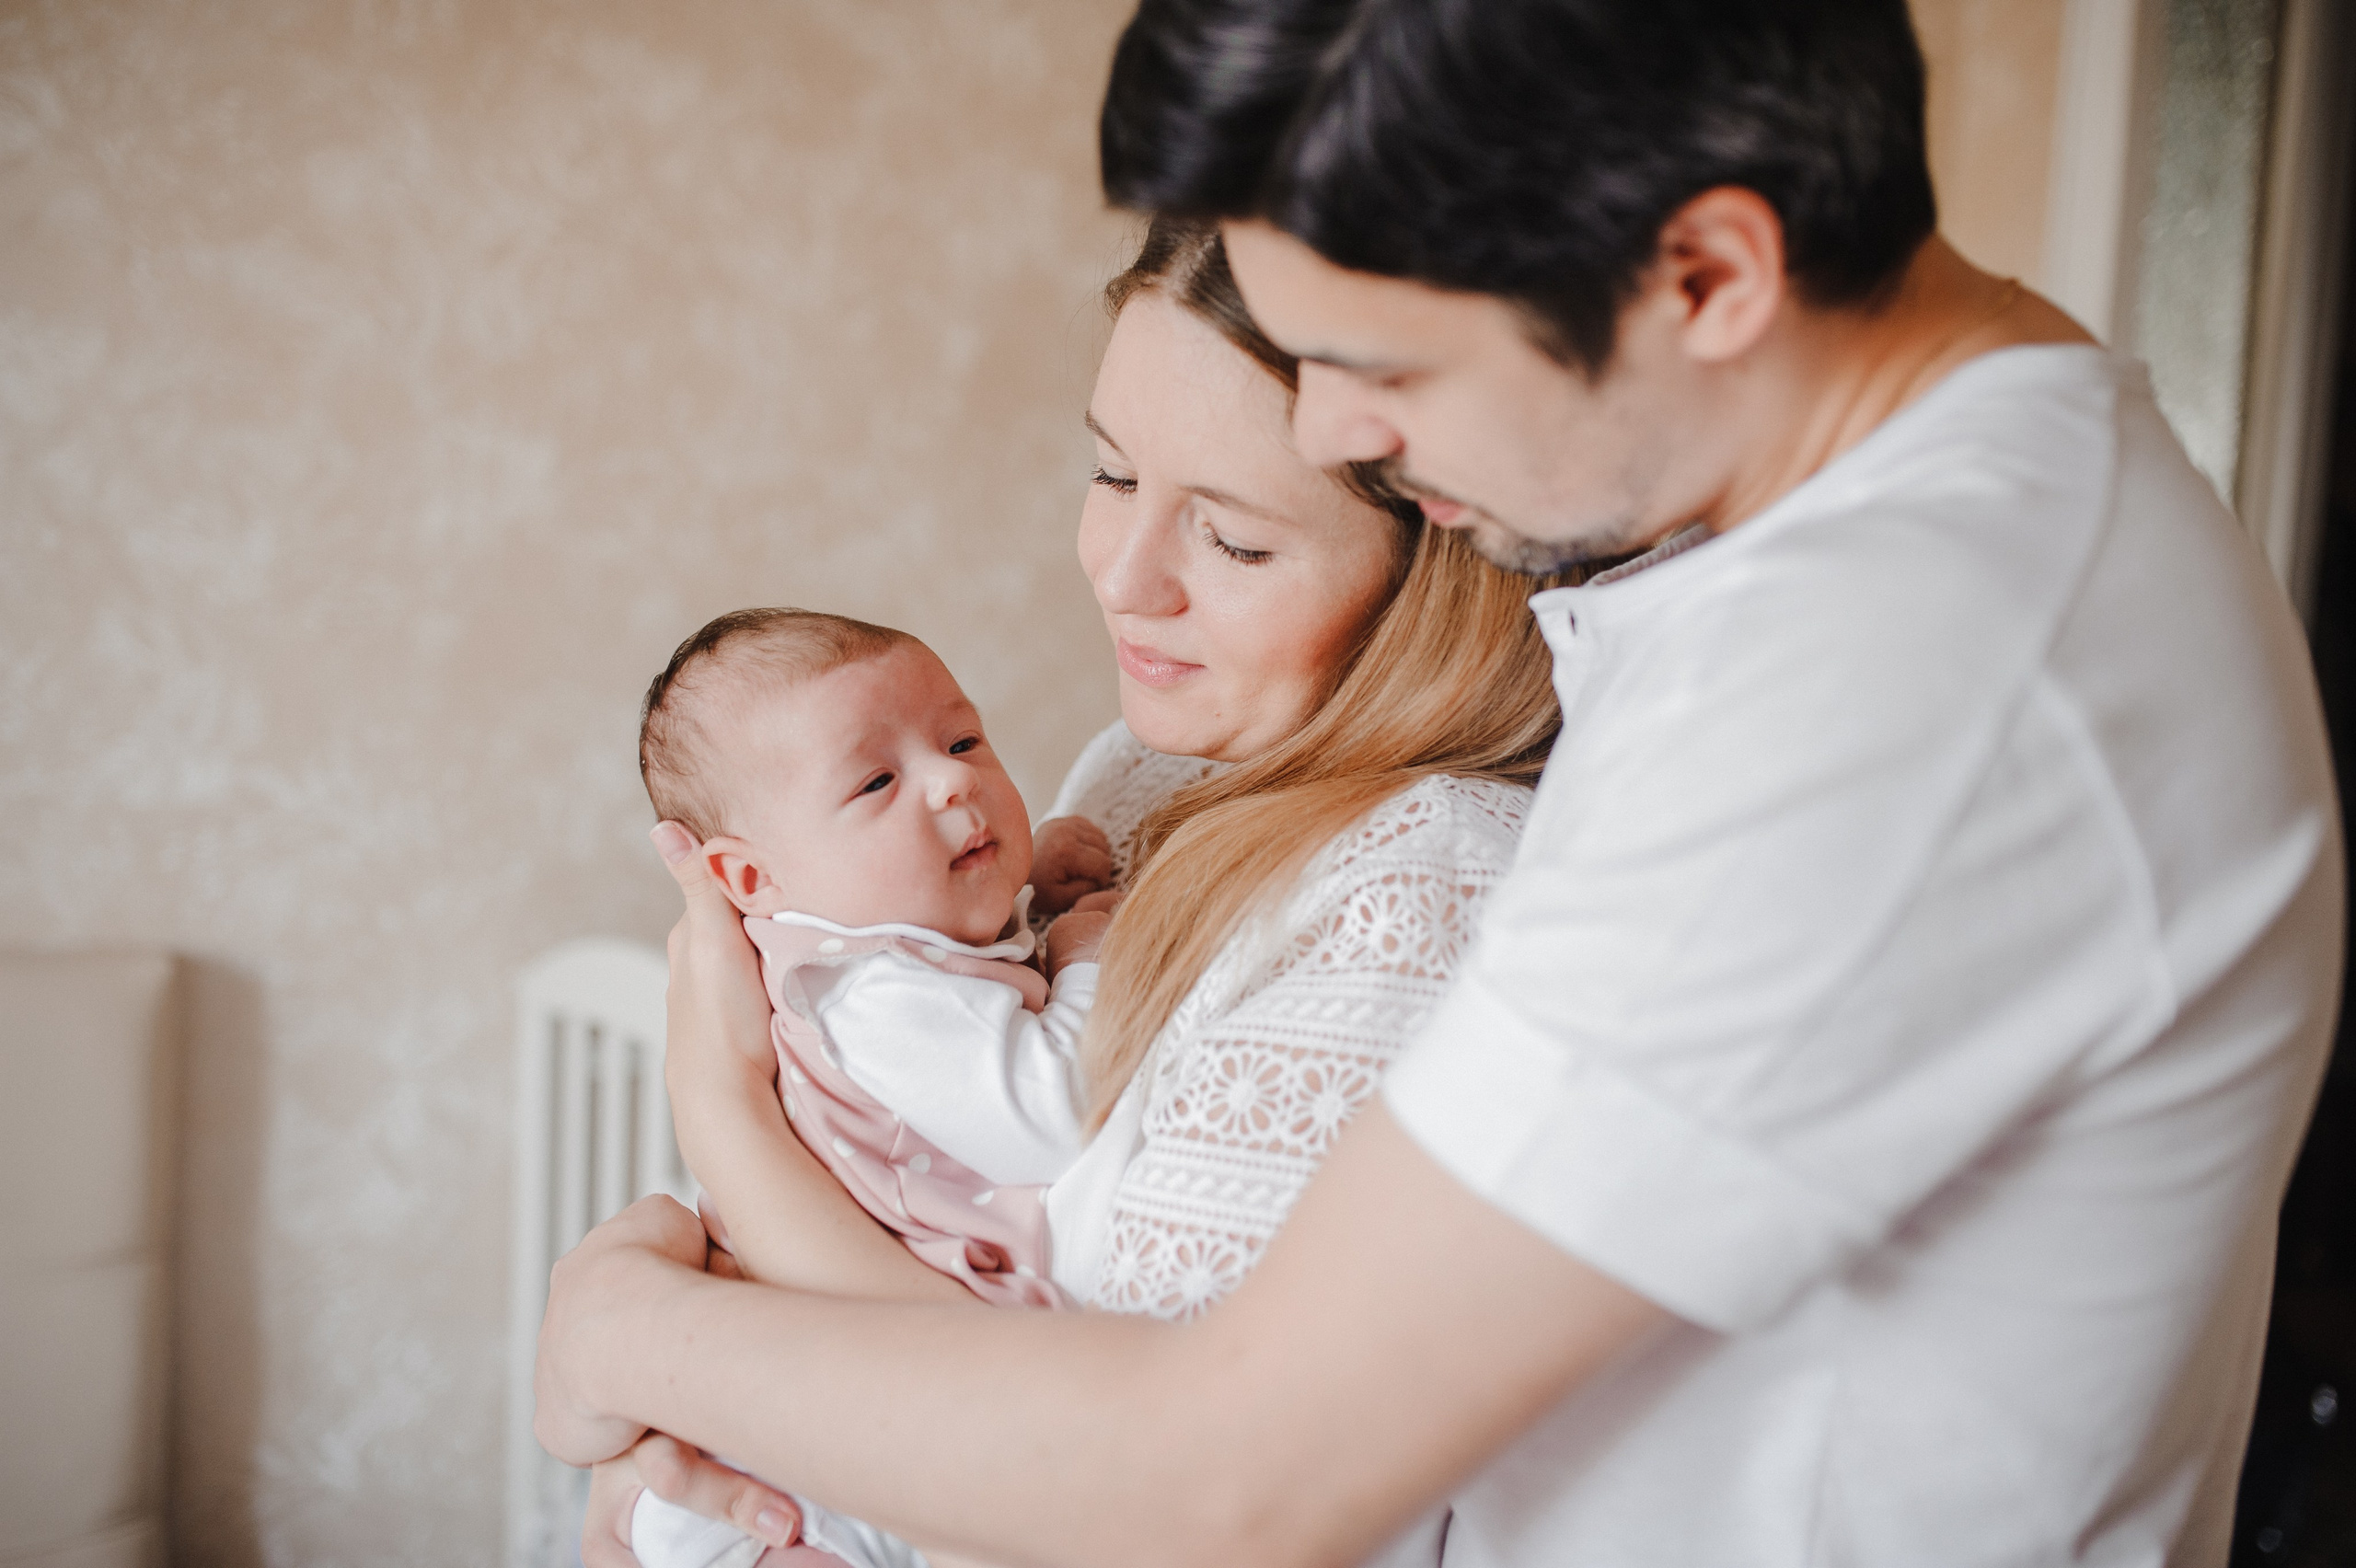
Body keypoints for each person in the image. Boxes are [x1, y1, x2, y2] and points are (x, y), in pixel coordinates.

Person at [538, 3, 2344, 1562]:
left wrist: (630, 1324)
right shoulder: (1813, 555)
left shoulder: (1896, 682)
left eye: (1378, 368)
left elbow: (1223, 1490)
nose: (1335, 438)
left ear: (1702, 274)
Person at [560, 213, 1565, 1566]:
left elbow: (1147, 1504)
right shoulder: (1143, 771)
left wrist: (655, 1291)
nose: (1119, 574)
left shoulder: (1421, 888)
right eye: (1109, 470)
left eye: (1233, 542)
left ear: (1433, 570)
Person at [625, 607, 1117, 1568]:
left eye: (962, 738)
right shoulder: (866, 989)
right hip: (802, 1433)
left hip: (855, 1396)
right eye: (875, 781)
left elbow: (985, 971)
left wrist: (1034, 890)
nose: (951, 779)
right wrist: (1089, 939)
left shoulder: (899, 946)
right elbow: (1052, 1113)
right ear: (751, 877)